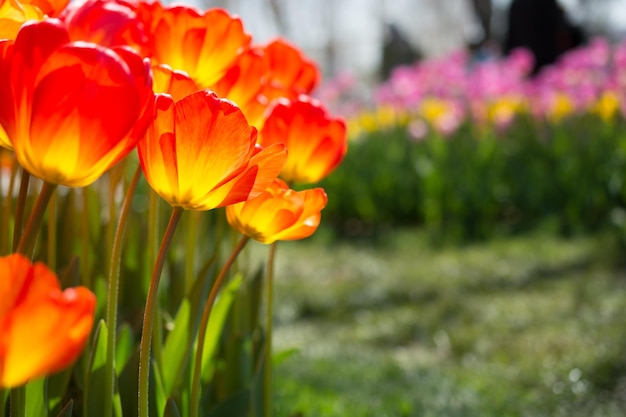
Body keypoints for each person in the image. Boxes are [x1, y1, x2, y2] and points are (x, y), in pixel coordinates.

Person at [504, 0, 585, 75]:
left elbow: (510, 37)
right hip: (546, 65)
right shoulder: (548, 3)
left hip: (520, 68)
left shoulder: (516, 4)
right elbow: (560, 28)